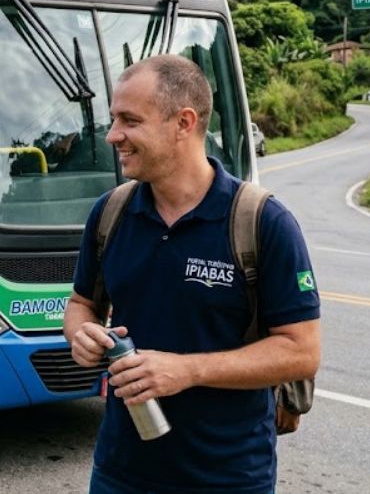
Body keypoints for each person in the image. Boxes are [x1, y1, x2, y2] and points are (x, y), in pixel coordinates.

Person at [64, 55, 321, 494]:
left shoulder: (262, 221)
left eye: (129, 121)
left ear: (183, 122)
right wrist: (81, 335)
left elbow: (301, 352)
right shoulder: (110, 214)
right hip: (119, 472)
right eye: (113, 119)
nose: (112, 136)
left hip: (227, 477)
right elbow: (82, 304)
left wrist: (186, 370)